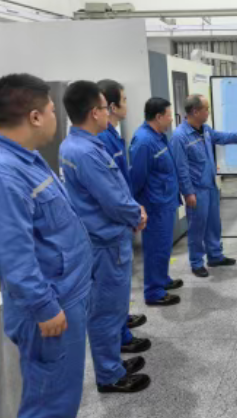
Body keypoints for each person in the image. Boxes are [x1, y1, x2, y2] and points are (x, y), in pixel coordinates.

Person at [0, 74, 93, 417]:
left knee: (61, 396)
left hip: (65, 292)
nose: (57, 117)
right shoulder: (6, 174)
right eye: (53, 110)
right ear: (35, 117)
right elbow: (12, 255)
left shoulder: (28, 158)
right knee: (49, 404)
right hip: (50, 305)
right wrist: (43, 306)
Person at [60, 80, 150, 393]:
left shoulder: (74, 145)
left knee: (109, 308)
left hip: (100, 238)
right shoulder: (87, 152)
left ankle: (112, 362)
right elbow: (112, 199)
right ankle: (110, 375)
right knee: (107, 311)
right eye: (103, 107)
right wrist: (136, 215)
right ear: (94, 112)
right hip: (106, 242)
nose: (108, 112)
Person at [171, 94, 237, 278]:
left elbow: (220, 137)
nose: (208, 112)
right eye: (206, 109)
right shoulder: (180, 136)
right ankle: (196, 263)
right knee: (197, 228)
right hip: (196, 190)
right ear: (195, 111)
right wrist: (188, 192)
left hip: (210, 186)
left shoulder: (205, 130)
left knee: (213, 224)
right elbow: (181, 168)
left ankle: (215, 256)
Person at [97, 79, 150, 354]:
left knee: (120, 284)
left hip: (121, 219)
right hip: (110, 225)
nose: (128, 104)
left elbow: (121, 180)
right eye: (125, 100)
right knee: (111, 287)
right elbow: (110, 190)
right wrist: (132, 213)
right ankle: (119, 337)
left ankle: (122, 324)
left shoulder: (112, 135)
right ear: (112, 106)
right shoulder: (101, 140)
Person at [130, 97, 182, 306]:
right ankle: (154, 292)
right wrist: (138, 207)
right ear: (159, 117)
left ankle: (162, 279)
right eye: (169, 115)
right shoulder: (143, 142)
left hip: (165, 201)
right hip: (155, 204)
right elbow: (136, 179)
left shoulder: (158, 136)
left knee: (164, 246)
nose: (171, 119)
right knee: (155, 248)